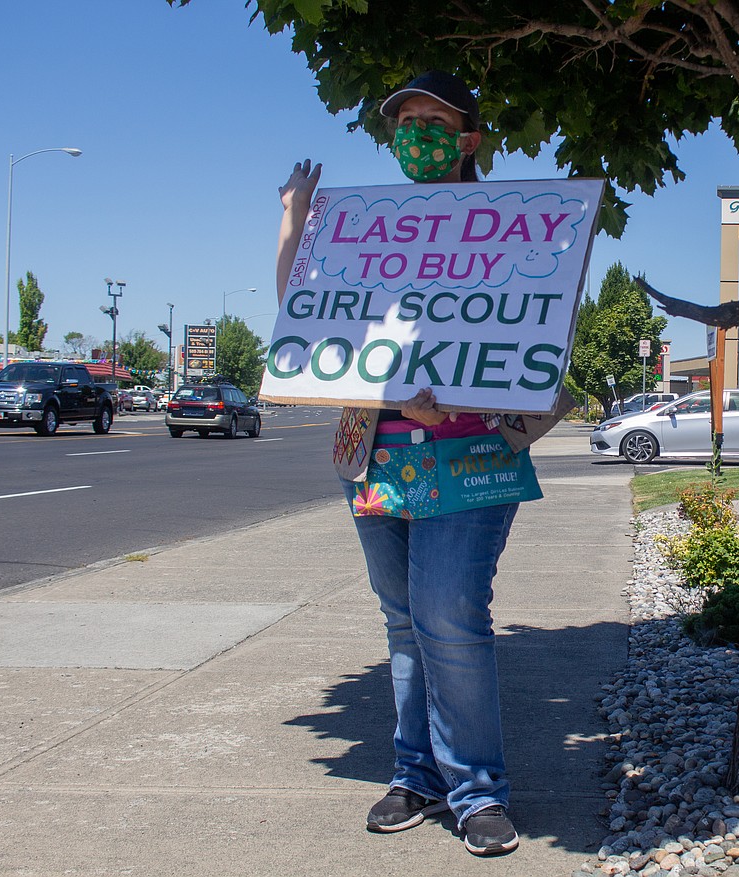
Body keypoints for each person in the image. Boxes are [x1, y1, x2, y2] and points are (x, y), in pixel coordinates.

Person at [276, 71, 529, 857]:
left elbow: (531, 325)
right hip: (376, 452)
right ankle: (415, 774)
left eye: (434, 120)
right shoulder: (367, 232)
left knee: (448, 613)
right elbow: (304, 317)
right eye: (405, 121)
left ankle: (477, 790)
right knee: (404, 620)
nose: (416, 133)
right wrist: (293, 220)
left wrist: (451, 393)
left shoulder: (508, 229)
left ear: (469, 139)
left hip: (469, 452)